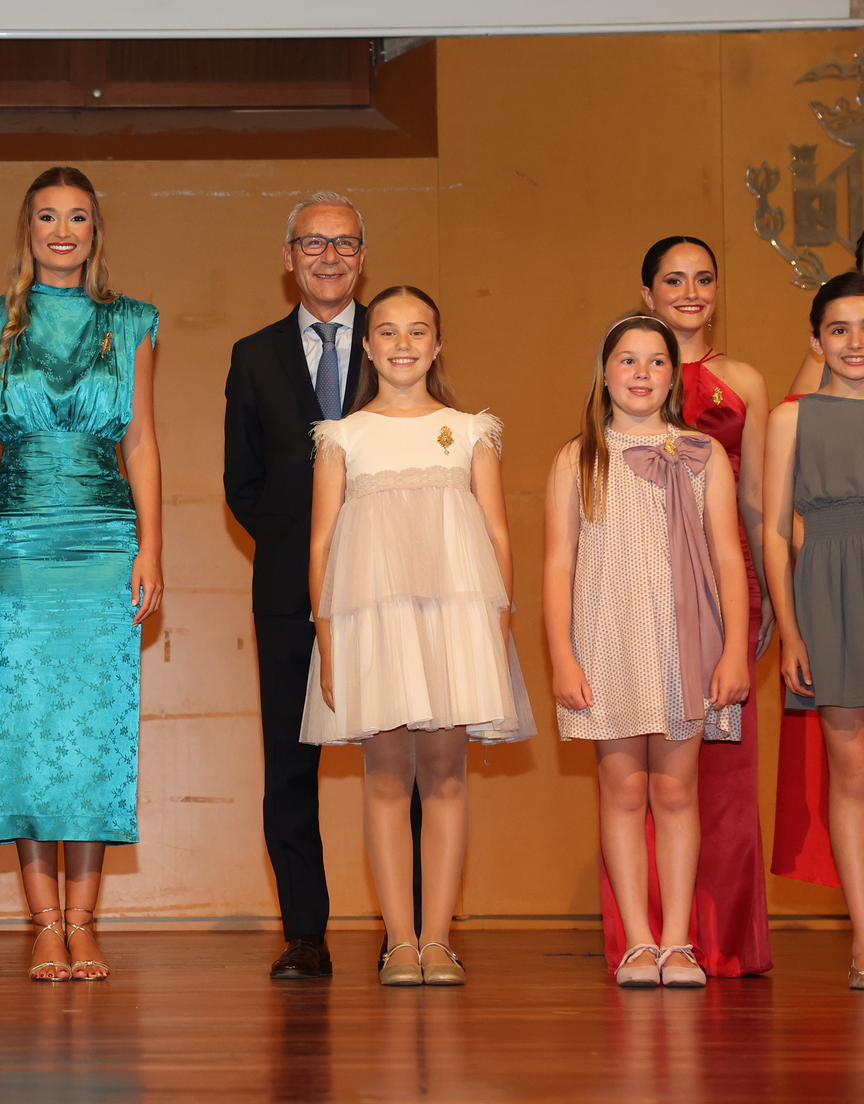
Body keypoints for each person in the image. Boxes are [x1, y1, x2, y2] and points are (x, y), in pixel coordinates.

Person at [0, 166, 161, 982]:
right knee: (26, 730)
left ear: (94, 230)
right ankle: (44, 923)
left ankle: (85, 921)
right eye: (48, 216)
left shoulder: (133, 320)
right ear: (29, 228)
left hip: (105, 539)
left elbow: (141, 438)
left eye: (77, 217)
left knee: (96, 730)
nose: (63, 231)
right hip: (15, 538)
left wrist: (152, 546)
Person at [302, 286, 532, 987]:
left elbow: (497, 535)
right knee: (383, 777)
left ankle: (439, 940)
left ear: (437, 345)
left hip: (452, 623)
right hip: (374, 625)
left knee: (446, 776)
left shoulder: (470, 431)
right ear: (368, 348)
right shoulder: (341, 437)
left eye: (418, 331)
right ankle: (399, 941)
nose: (403, 344)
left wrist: (496, 631)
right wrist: (329, 641)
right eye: (388, 332)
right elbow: (322, 546)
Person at [543, 312, 748, 989]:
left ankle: (678, 941)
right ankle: (637, 941)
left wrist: (734, 651)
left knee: (676, 789)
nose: (641, 373)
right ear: (604, 374)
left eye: (656, 361)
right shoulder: (578, 458)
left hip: (684, 642)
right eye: (626, 360)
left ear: (674, 376)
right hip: (608, 639)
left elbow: (727, 556)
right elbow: (558, 565)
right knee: (624, 788)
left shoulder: (702, 454)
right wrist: (563, 656)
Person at [588, 236, 772, 978]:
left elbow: (754, 506)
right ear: (646, 292)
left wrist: (763, 601)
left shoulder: (742, 381)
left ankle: (713, 941)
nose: (691, 291)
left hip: (714, 600)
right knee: (630, 783)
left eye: (704, 278)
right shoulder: (599, 433)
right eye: (673, 279)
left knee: (708, 786)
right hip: (626, 603)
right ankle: (641, 939)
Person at [223, 190, 368, 980]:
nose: (328, 257)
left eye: (343, 242)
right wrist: (297, 548)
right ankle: (305, 934)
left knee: (405, 759)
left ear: (362, 256)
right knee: (290, 764)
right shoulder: (254, 355)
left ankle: (411, 930)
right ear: (288, 258)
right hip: (286, 588)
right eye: (313, 243)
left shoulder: (398, 341)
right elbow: (241, 483)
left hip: (390, 589)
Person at [765, 272, 864, 991]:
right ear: (817, 340)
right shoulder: (792, 419)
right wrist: (791, 631)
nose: (855, 342)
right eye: (838, 329)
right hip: (830, 595)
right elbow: (773, 532)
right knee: (854, 774)